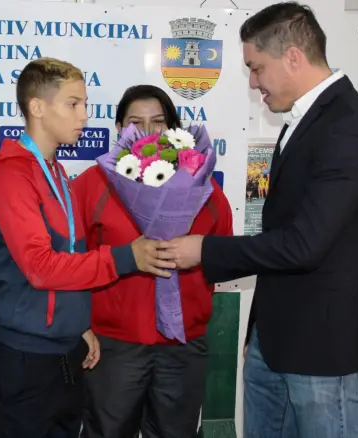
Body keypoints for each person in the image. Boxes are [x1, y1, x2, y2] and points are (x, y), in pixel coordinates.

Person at [164, 3, 358, 437]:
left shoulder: (350, 128)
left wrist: (204, 249)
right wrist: (259, 332)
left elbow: (304, 245)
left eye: (256, 68)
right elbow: (281, 236)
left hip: (324, 353)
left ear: (292, 57)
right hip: (276, 343)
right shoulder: (303, 122)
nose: (252, 82)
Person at [0, 59, 177, 438]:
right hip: (23, 357)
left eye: (84, 103)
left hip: (62, 351)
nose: (85, 115)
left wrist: (77, 324)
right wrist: (126, 257)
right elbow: (41, 267)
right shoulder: (11, 174)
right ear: (37, 107)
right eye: (73, 104)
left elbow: (69, 254)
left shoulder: (55, 171)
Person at [72, 85, 234, 438]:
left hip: (183, 345)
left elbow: (223, 252)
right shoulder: (91, 185)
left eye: (158, 122)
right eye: (135, 123)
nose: (148, 132)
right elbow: (72, 260)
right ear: (119, 129)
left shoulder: (203, 187)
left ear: (174, 130)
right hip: (114, 345)